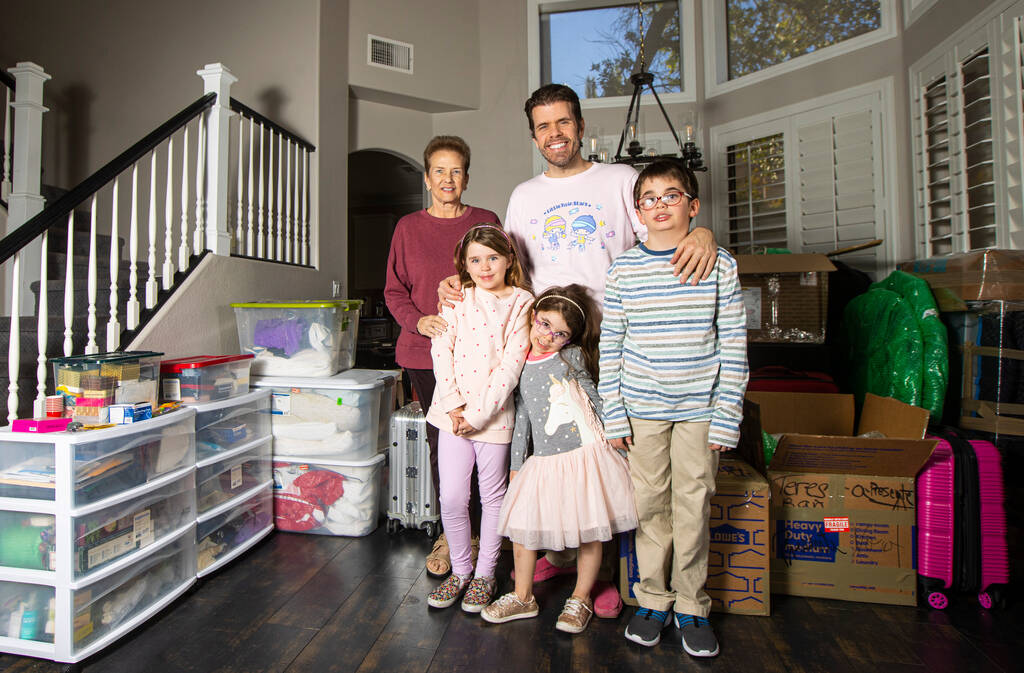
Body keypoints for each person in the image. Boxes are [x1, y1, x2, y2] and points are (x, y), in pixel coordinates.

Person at [440, 83, 718, 618]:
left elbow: (665, 229)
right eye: (543, 126)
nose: (554, 134)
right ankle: (556, 554)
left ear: (581, 126)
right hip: (542, 344)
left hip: (611, 342)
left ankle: (608, 572)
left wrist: (702, 233)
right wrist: (454, 286)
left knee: (609, 458)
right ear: (534, 135)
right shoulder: (523, 196)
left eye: (563, 122)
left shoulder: (618, 179)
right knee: (549, 453)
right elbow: (502, 267)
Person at [598, 160, 748, 658]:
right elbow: (612, 346)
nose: (660, 205)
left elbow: (733, 344)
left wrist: (727, 413)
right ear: (637, 210)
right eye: (649, 198)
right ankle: (652, 601)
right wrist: (614, 414)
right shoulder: (623, 269)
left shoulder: (719, 265)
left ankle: (691, 606)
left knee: (693, 506)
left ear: (693, 205)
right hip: (642, 409)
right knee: (649, 507)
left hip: (700, 410)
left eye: (672, 195)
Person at [480, 286, 637, 634]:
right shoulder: (519, 363)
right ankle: (523, 596)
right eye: (544, 324)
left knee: (589, 530)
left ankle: (580, 597)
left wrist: (618, 435)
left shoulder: (573, 357)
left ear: (570, 339)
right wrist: (517, 465)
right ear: (533, 317)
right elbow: (522, 416)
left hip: (584, 455)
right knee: (522, 526)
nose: (548, 336)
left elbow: (594, 396)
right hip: (545, 458)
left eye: (560, 333)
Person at [385, 135, 501, 577]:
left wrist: (467, 286)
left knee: (484, 440)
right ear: (428, 177)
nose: (448, 179)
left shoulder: (485, 220)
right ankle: (452, 536)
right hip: (423, 352)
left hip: (480, 351)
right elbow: (394, 291)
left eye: (456, 170)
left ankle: (482, 533)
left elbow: (503, 273)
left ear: (466, 177)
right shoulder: (407, 228)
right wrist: (418, 321)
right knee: (443, 445)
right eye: (439, 170)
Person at [425, 224, 534, 614]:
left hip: (494, 418)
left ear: (508, 260)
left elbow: (511, 364)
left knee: (492, 499)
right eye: (475, 260)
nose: (485, 267)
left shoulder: (522, 303)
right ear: (464, 265)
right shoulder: (457, 300)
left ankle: (485, 574)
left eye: (492, 258)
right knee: (452, 496)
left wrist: (478, 414)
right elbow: (442, 350)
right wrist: (455, 407)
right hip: (451, 416)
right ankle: (460, 569)